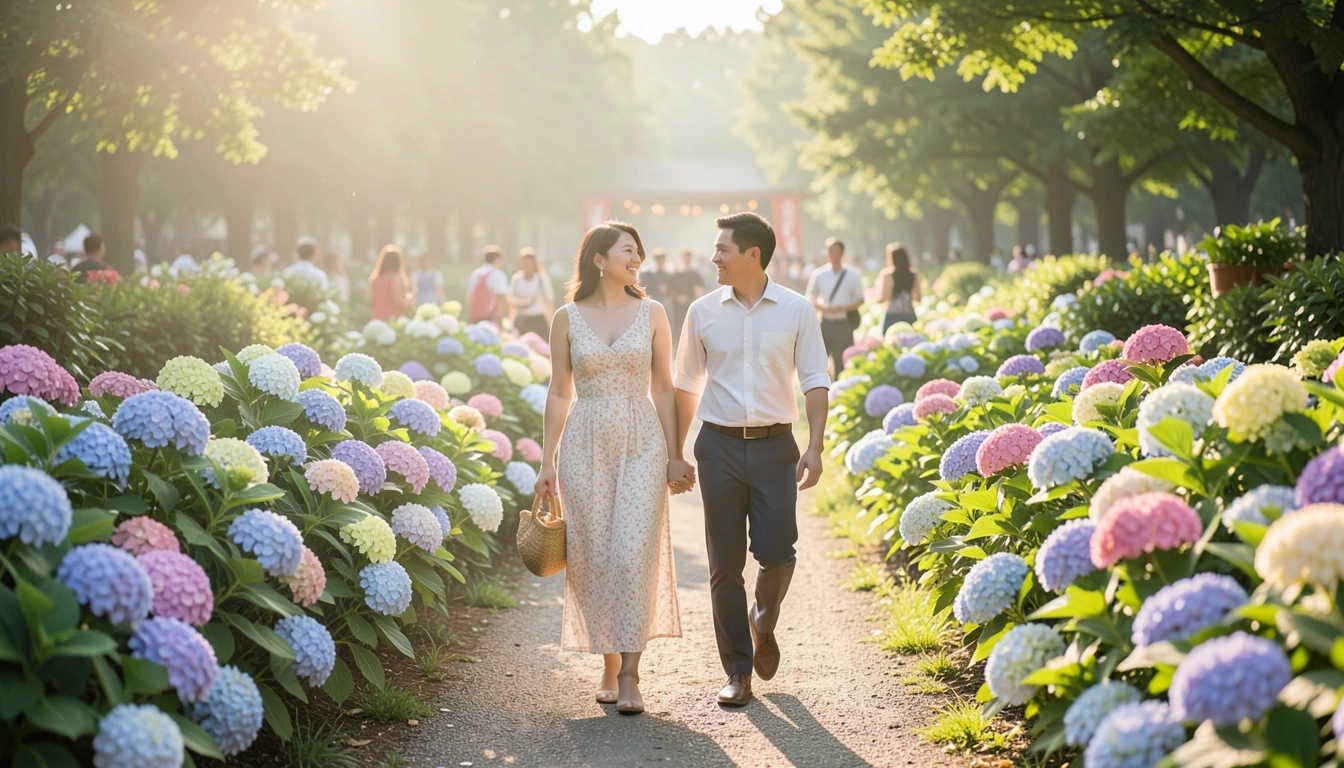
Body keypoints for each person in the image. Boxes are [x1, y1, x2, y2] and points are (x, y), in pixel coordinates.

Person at [674, 212, 829, 707]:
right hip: (717, 446)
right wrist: (676, 450)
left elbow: (814, 379)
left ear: (752, 255)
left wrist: (816, 447)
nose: (713, 257)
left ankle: (763, 618)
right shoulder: (701, 311)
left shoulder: (797, 309)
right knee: (724, 565)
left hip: (775, 446)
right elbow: (685, 385)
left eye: (722, 249)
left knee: (779, 551)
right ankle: (737, 672)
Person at [533, 221, 688, 716]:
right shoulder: (566, 318)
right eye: (628, 251)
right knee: (594, 557)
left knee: (630, 555)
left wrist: (675, 452)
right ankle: (607, 660)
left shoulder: (655, 313)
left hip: (643, 439)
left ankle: (630, 673)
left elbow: (664, 386)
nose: (637, 258)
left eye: (639, 252)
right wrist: (546, 462)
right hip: (584, 443)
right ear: (599, 259)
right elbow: (560, 390)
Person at [804, 237, 865, 377]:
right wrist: (822, 307)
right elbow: (810, 296)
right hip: (825, 323)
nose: (831, 254)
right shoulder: (819, 274)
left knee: (843, 362)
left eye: (835, 251)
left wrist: (843, 307)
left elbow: (860, 299)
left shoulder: (852, 275)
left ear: (842, 253)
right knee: (820, 361)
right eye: (829, 251)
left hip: (844, 323)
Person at [508, 247, 554, 338]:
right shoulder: (516, 279)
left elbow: (548, 300)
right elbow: (510, 300)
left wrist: (550, 322)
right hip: (521, 320)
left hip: (538, 320)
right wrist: (510, 321)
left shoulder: (542, 279)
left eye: (529, 262)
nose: (526, 265)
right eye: (524, 262)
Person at [879, 243, 920, 333]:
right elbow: (918, 298)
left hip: (892, 315)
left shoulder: (887, 275)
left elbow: (884, 298)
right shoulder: (912, 274)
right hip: (909, 314)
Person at [667, 248, 705, 344]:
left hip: (691, 305)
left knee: (691, 329)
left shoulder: (694, 274)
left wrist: (694, 301)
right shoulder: (676, 273)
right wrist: (677, 298)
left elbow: (700, 290)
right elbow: (670, 290)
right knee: (677, 329)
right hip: (677, 306)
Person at [367, 245, 412, 321]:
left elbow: (369, 299)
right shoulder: (396, 278)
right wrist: (409, 298)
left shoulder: (375, 279)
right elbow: (399, 302)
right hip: (393, 320)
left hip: (376, 319)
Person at [467, 245, 510, 324]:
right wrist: (506, 316)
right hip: (491, 317)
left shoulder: (475, 274)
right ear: (498, 259)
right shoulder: (497, 274)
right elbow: (502, 297)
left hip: (475, 316)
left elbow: (469, 297)